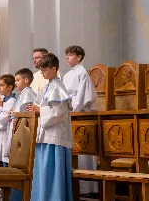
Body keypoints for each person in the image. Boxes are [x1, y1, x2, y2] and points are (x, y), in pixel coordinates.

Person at [27, 53, 73, 201]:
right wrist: (35, 108)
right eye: (41, 70)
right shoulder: (48, 87)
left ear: (54, 69)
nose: (43, 73)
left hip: (54, 138)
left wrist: (39, 110)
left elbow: (58, 113)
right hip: (45, 135)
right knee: (43, 172)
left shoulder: (58, 87)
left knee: (52, 173)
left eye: (45, 70)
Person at [63, 45, 98, 195]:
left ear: (79, 57)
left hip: (81, 115)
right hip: (70, 113)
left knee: (84, 153)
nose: (67, 57)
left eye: (71, 55)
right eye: (67, 55)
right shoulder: (67, 75)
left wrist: (71, 108)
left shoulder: (82, 73)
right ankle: (78, 188)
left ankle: (88, 189)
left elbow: (83, 97)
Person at [3, 68, 37, 201]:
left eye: (18, 80)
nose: (16, 82)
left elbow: (25, 117)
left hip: (23, 137)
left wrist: (13, 114)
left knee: (20, 166)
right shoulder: (23, 93)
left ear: (26, 80)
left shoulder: (28, 94)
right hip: (17, 134)